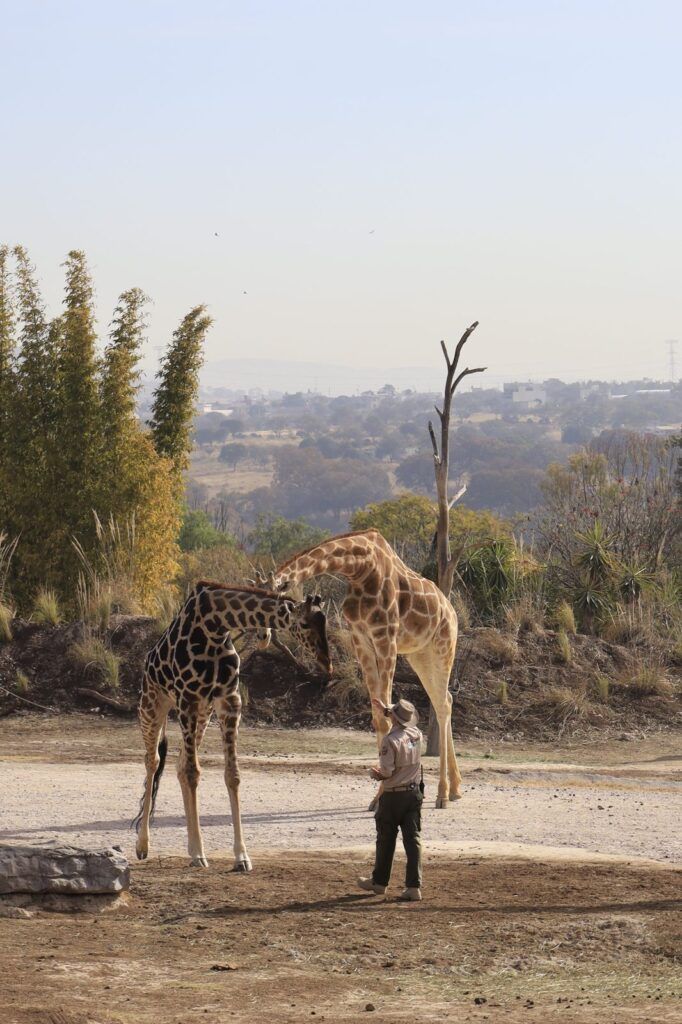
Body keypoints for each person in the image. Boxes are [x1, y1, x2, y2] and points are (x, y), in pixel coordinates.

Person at [358, 697, 424, 902]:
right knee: (412, 840)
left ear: (394, 718)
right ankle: (414, 887)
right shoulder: (417, 734)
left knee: (386, 839)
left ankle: (379, 882)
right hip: (414, 794)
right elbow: (403, 723)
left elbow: (386, 771)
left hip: (393, 795)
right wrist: (387, 710)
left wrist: (374, 773)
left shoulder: (389, 740)